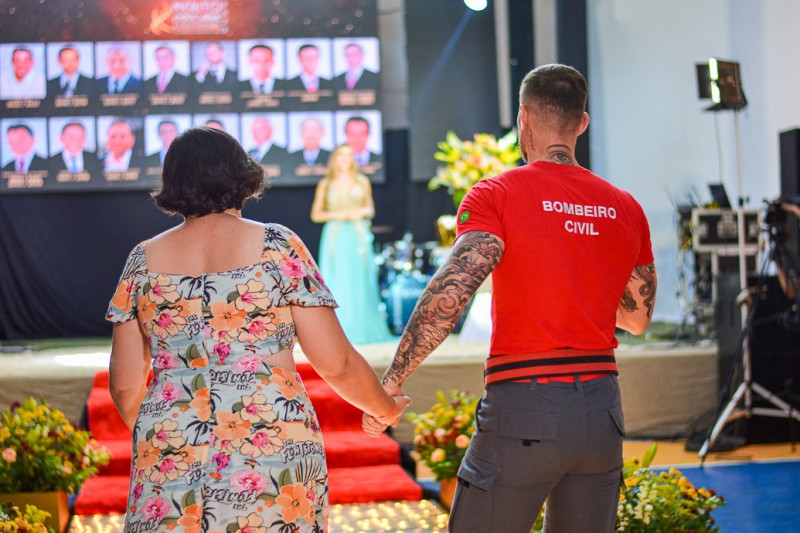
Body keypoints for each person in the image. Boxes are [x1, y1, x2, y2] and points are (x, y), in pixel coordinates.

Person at [363, 64, 657, 532]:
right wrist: (581, 280)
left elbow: (454, 290)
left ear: (523, 118)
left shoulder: (497, 193)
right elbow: (638, 319)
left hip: (527, 405)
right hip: (603, 410)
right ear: (582, 122)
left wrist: (394, 378)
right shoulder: (624, 205)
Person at [106, 126, 409, 532]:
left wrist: (168, 434)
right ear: (242, 175)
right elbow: (335, 363)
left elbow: (125, 386)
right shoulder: (276, 246)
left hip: (169, 437)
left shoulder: (142, 260)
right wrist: (384, 409)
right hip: (269, 435)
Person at [310, 144, 393, 344]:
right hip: (336, 235)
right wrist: (339, 215)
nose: (345, 160)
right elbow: (316, 214)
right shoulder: (326, 183)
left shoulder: (362, 181)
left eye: (349, 156)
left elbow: (370, 209)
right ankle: (339, 331)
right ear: (335, 159)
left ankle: (363, 327)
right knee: (337, 278)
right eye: (341, 156)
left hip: (357, 233)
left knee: (360, 279)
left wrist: (356, 213)